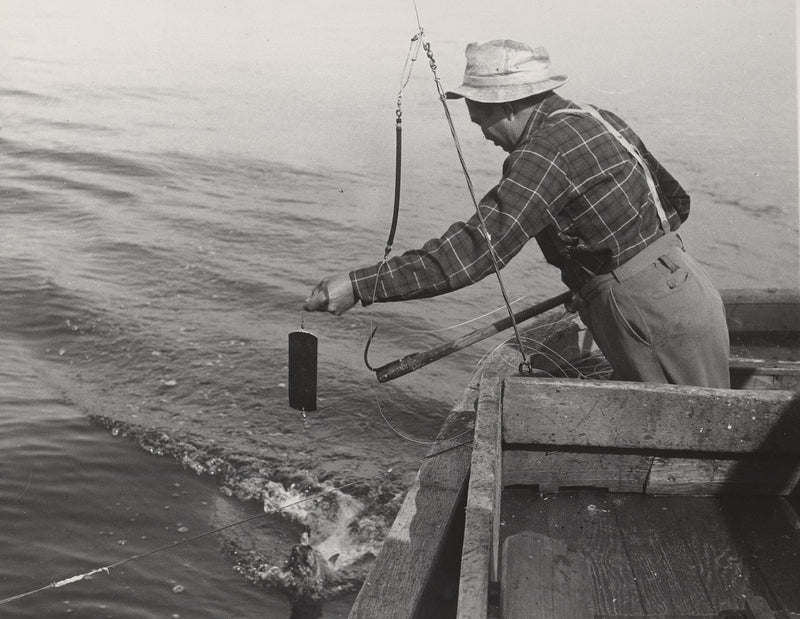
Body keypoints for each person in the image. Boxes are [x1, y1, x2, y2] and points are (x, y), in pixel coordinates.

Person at [304, 39, 730, 388]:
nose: (486, 136)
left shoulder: (543, 150)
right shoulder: (596, 116)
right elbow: (676, 201)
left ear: (506, 105)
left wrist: (360, 285)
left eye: (482, 122)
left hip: (646, 316)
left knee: (682, 449)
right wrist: (601, 274)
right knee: (705, 430)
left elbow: (475, 252)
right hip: (687, 285)